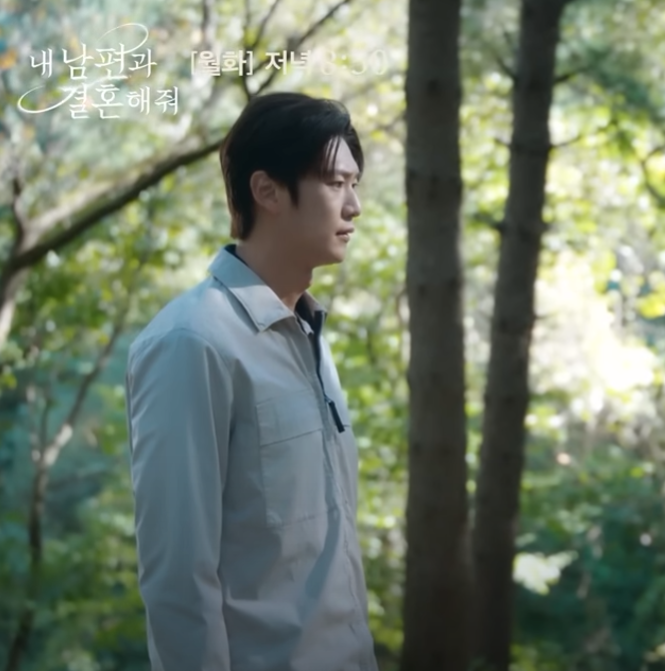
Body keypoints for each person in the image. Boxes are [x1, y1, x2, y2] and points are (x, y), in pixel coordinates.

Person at [125, 92, 375, 670]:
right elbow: (177, 579)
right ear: (267, 191)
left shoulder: (308, 333)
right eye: (335, 183)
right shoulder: (192, 342)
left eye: (354, 183)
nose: (355, 205)